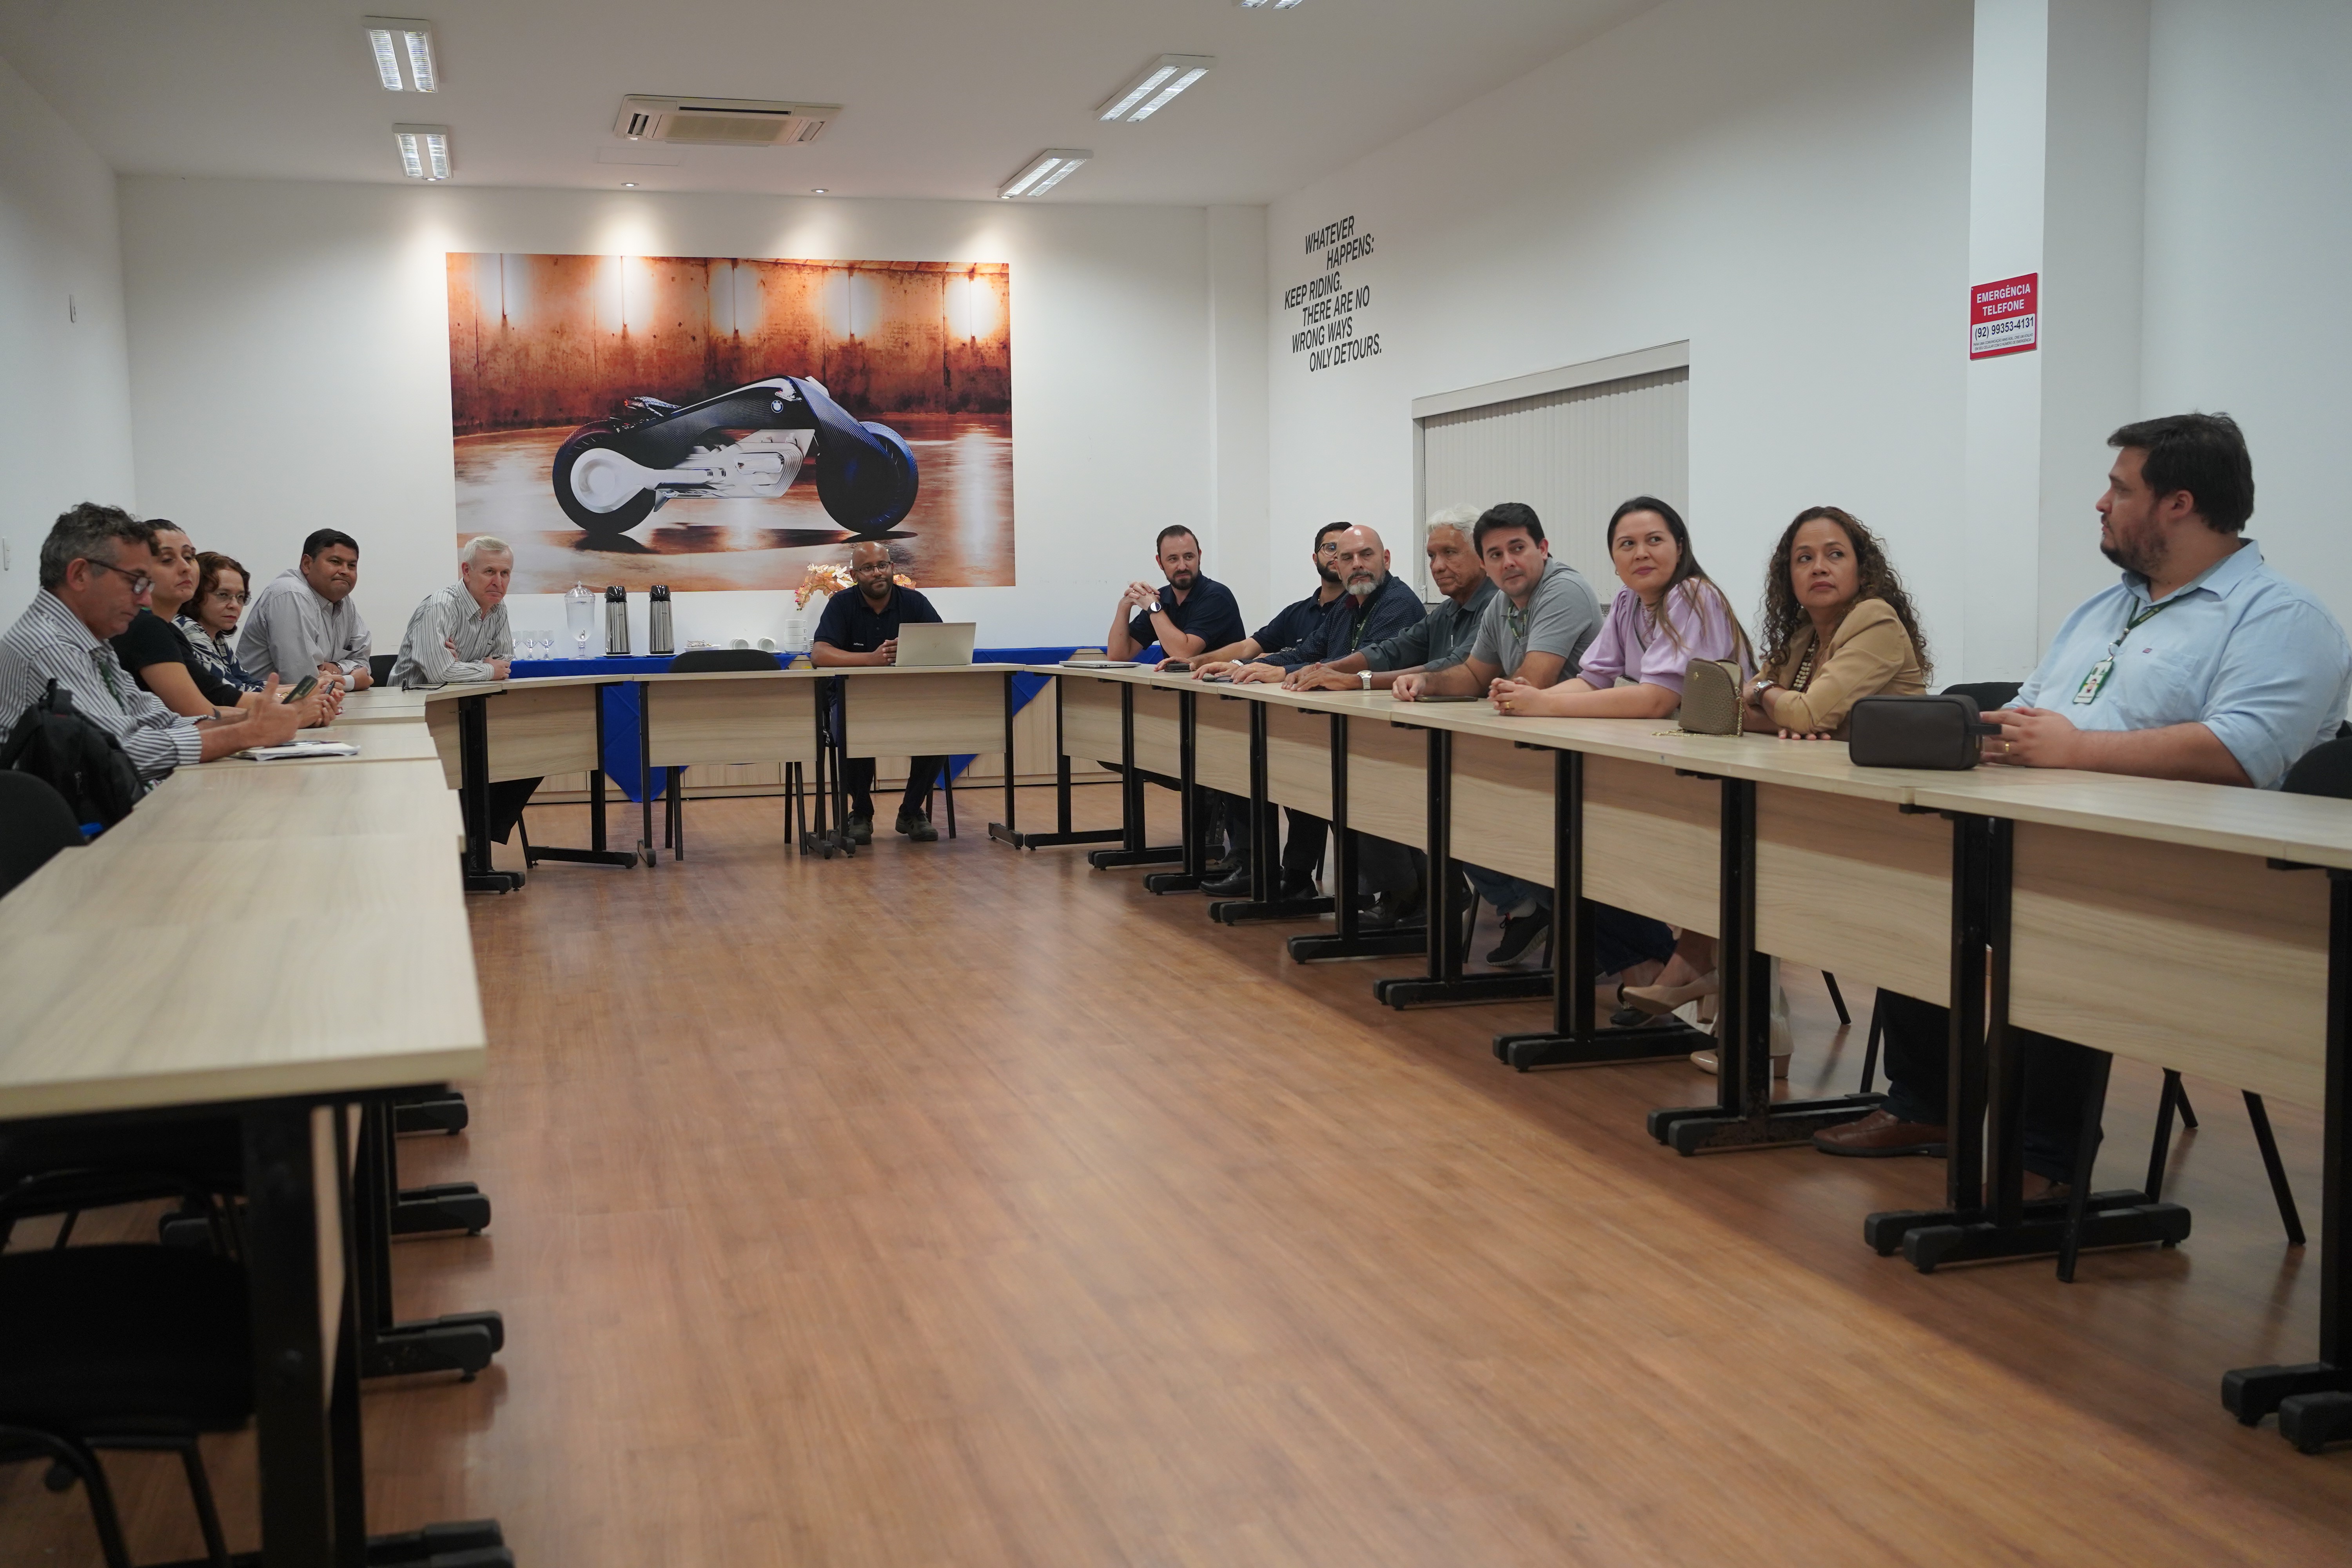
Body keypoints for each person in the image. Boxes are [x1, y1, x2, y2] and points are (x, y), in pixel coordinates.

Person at [1813, 413, 2352, 1194]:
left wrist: (2076, 749)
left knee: (2056, 907)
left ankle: (2044, 1160)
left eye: (2119, 488)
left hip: (2196, 874)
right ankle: (1930, 1105)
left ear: (2179, 503)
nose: (2101, 504)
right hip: (2049, 834)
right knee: (1919, 878)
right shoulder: (2104, 609)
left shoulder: (2281, 617)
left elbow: (2246, 754)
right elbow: (2030, 712)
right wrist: (1983, 737)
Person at [1394, 502, 1601, 964]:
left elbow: (1532, 682)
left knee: (1463, 800)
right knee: (1441, 800)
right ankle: (1527, 907)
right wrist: (1425, 682)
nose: (1508, 562)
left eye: (1518, 549)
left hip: (1580, 755)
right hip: (1532, 745)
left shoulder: (1562, 589)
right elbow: (1473, 674)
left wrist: (1501, 689)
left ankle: (1561, 914)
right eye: (1495, 554)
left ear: (1543, 548)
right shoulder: (1501, 604)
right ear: (1486, 564)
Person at [0, 503, 316, 783]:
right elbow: (122, 752)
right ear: (81, 575)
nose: (144, 598)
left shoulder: (92, 643)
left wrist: (255, 720)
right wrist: (246, 732)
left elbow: (158, 721)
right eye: (135, 582)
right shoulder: (50, 645)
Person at [1194, 525, 1427, 901]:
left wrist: (1284, 671)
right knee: (1293, 769)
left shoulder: (1397, 602)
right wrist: (1241, 665)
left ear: (1386, 559)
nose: (1357, 565)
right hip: (1345, 725)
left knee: (1316, 776)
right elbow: (1307, 652)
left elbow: (1364, 660)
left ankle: (1405, 894)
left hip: (1390, 734)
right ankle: (1299, 876)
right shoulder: (1347, 606)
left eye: (1366, 555)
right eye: (1347, 558)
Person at [110, 521, 333, 724]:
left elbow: (225, 696)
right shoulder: (150, 627)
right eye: (168, 560)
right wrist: (291, 712)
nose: (186, 567)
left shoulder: (167, 629)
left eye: (189, 557)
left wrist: (295, 702)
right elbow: (204, 712)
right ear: (139, 571)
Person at [1737, 506, 1929, 739]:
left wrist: (1763, 691)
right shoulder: (1804, 633)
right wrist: (1794, 720)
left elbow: (1807, 716)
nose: (1819, 568)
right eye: (1805, 558)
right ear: (1789, 579)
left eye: (1836, 554)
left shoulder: (1877, 620)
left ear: (1863, 572)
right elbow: (1736, 707)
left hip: (1895, 761)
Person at [811, 541, 948, 843]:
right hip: (853, 698)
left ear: (892, 568)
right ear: (854, 575)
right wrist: (869, 660)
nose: (877, 573)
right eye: (868, 568)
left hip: (908, 698)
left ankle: (911, 811)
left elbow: (942, 646)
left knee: (939, 731)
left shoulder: (915, 603)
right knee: (849, 728)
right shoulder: (841, 604)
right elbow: (819, 655)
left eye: (882, 565)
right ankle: (861, 812)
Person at [1285, 506, 1497, 693]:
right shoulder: (1448, 610)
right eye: (1432, 556)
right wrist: (1323, 669)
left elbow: (1456, 668)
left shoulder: (1497, 605)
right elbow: (1392, 650)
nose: (1437, 566)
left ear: (1482, 556)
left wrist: (1355, 681)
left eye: (1450, 553)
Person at [1181, 522, 1348, 671]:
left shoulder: (1356, 611)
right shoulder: (1295, 613)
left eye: (1344, 551)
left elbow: (1338, 663)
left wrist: (1274, 662)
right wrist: (1196, 661)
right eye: (1331, 548)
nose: (1337, 555)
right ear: (1315, 559)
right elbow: (1247, 648)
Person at [237, 528, 372, 690]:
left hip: (308, 701)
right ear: (307, 564)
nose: (345, 571)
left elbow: (364, 665)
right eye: (335, 562)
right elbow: (305, 683)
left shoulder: (345, 603)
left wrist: (337, 668)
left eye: (352, 566)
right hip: (259, 702)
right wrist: (351, 681)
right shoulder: (291, 594)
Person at [1105, 526, 1245, 663]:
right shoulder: (1161, 598)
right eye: (1173, 559)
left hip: (1223, 679)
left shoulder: (1217, 596)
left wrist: (1154, 608)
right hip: (1181, 679)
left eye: (1189, 557)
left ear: (1199, 557)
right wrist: (1125, 605)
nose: (1182, 566)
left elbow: (1183, 655)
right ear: (1160, 563)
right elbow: (1117, 656)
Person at [391, 536, 517, 688]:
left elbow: (504, 663)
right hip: (411, 698)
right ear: (467, 571)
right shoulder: (441, 606)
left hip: (462, 696)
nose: (498, 582)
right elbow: (440, 673)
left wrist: (459, 667)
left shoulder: (498, 607)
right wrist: (488, 669)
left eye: (505, 573)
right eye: (490, 572)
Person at [180, 551, 267, 695]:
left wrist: (302, 690)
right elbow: (234, 691)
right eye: (223, 595)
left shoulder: (217, 637)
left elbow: (248, 682)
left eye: (240, 597)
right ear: (196, 595)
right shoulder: (188, 629)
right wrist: (294, 693)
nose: (235, 605)